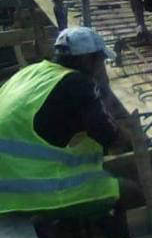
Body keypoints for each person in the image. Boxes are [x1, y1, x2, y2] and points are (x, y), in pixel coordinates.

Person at [0, 27, 130, 217]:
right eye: (100, 61)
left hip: (9, 181)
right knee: (130, 191)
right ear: (87, 60)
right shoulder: (77, 84)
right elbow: (112, 139)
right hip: (23, 193)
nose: (101, 68)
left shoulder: (31, 72)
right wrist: (129, 133)